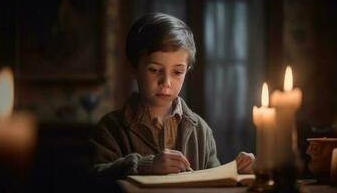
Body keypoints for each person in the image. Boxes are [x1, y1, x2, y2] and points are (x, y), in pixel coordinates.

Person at [89, 12, 254, 187]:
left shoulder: (201, 131)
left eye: (177, 72)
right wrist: (146, 166)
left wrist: (238, 172)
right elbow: (93, 179)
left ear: (187, 70)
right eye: (154, 70)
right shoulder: (111, 128)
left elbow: (216, 183)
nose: (166, 82)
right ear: (133, 68)